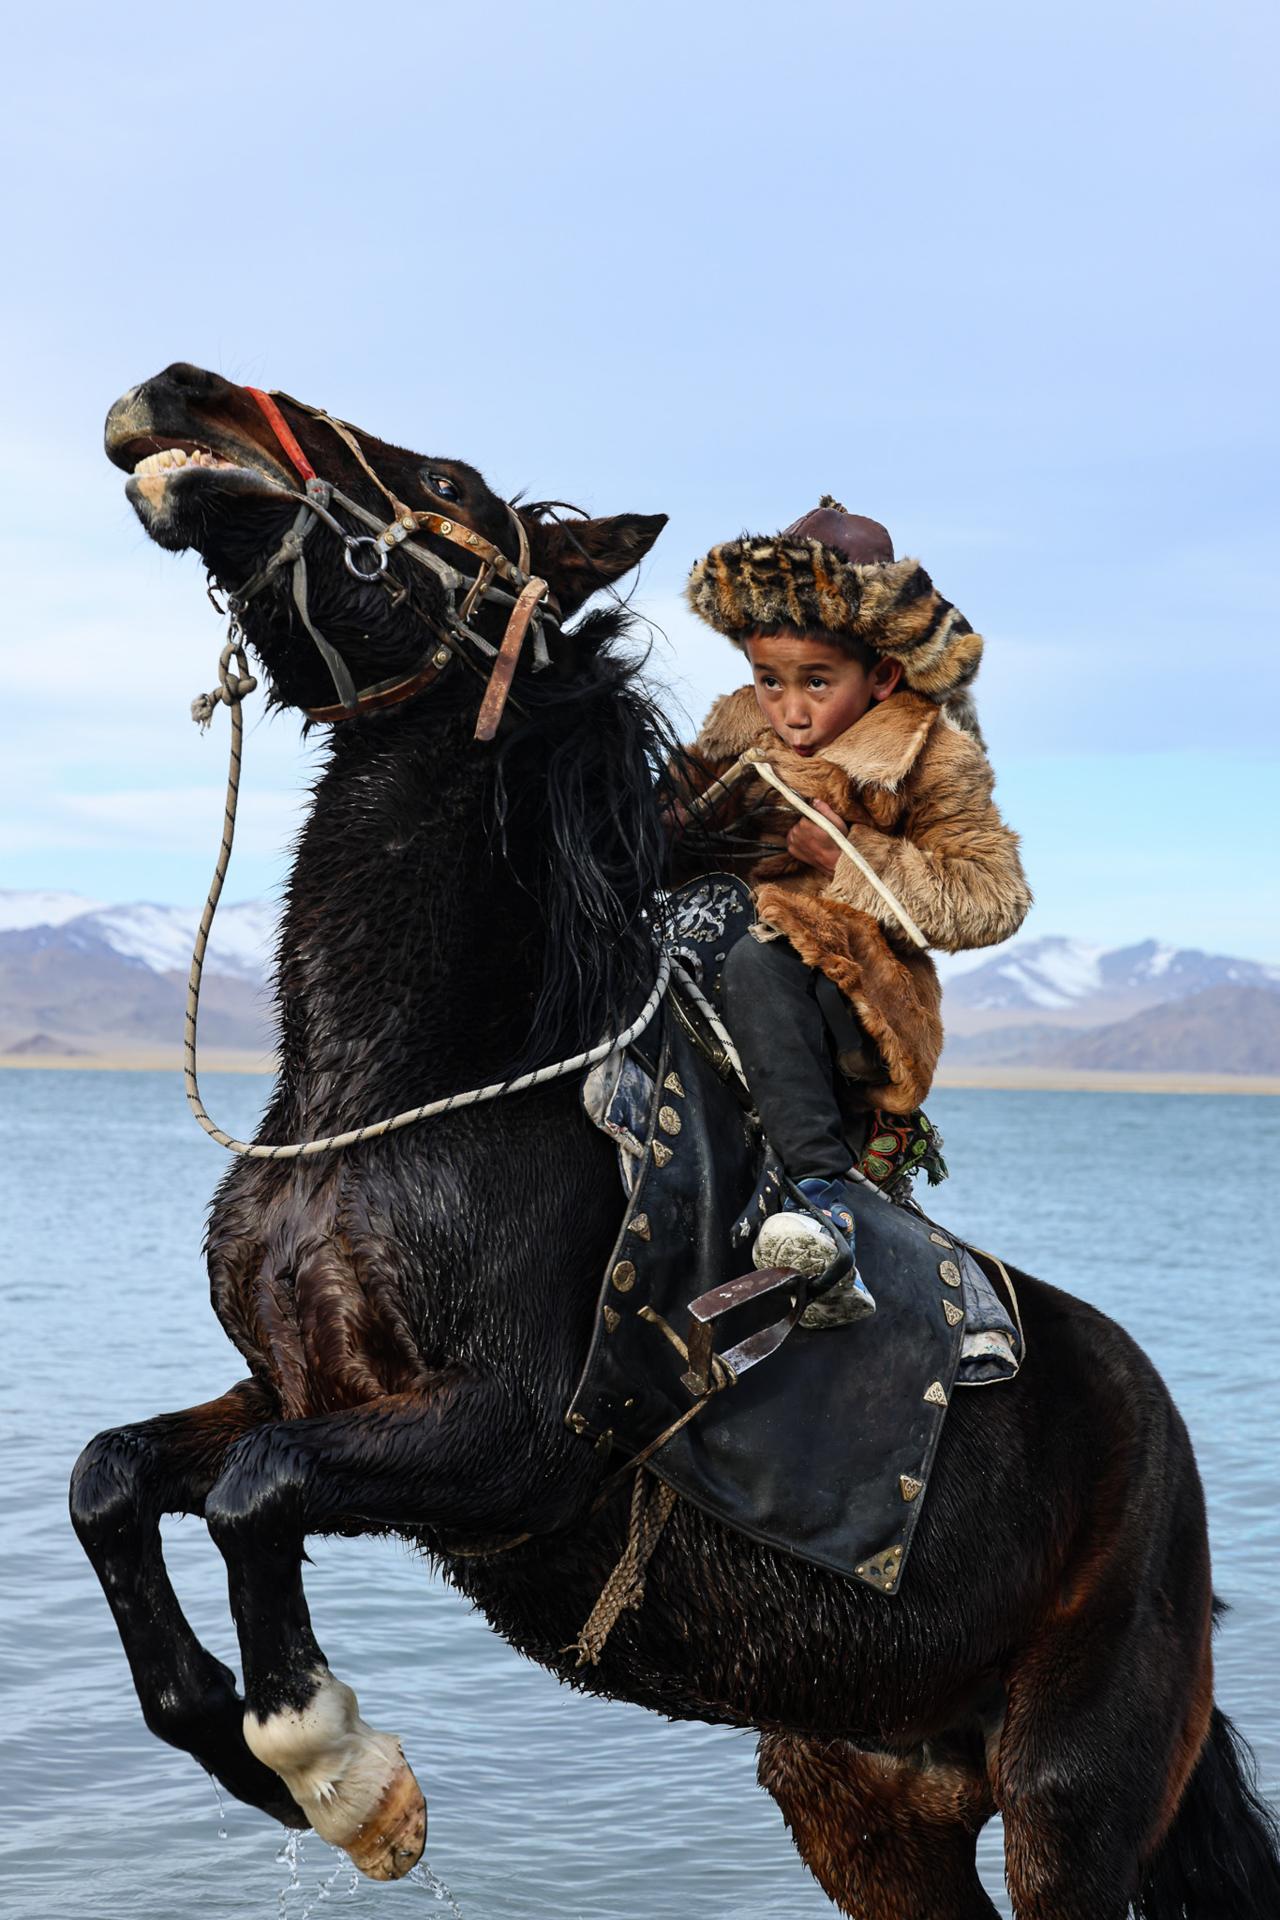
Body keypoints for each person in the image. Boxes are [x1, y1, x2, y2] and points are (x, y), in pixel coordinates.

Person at [673, 500, 1032, 1325]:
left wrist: (847, 863)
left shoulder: (932, 754)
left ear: (883, 678)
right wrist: (674, 831)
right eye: (770, 681)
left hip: (861, 1001)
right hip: (722, 965)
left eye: (816, 684)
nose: (789, 710)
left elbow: (992, 896)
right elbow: (649, 835)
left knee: (767, 960)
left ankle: (822, 1199)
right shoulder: (736, 733)